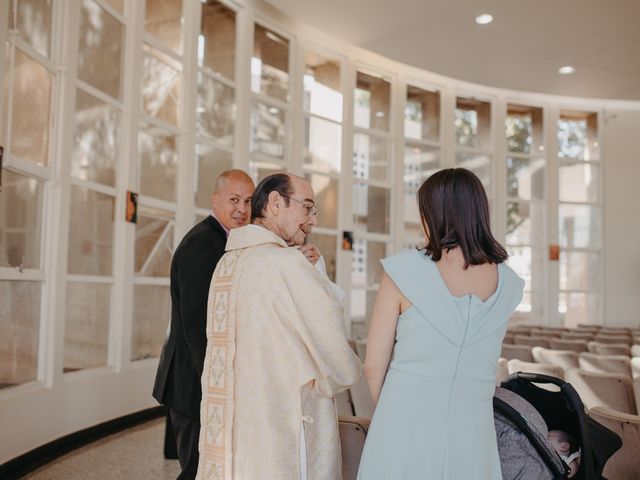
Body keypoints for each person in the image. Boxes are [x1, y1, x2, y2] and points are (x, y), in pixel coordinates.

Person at [357, 168, 525, 479]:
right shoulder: (510, 283)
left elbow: (372, 366)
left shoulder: (403, 271)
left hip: (403, 420)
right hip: (474, 432)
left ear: (433, 214)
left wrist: (392, 416)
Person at [196, 173, 361, 480]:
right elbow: (338, 362)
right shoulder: (288, 265)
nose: (312, 220)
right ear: (275, 203)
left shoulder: (226, 265)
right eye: (307, 208)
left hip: (238, 434)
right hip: (284, 427)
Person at [152, 169, 254, 480]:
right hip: (193, 383)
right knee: (198, 471)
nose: (242, 209)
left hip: (200, 382)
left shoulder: (227, 240)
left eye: (248, 201)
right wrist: (216, 386)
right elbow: (197, 325)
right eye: (234, 199)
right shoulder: (202, 245)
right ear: (215, 199)